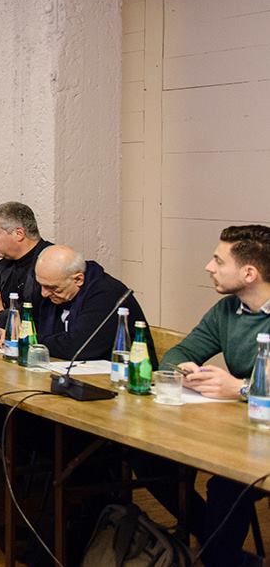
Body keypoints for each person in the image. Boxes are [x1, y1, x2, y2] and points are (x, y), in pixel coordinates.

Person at [127, 226, 270, 566]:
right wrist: (187, 372)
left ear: (249, 273)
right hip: (239, 430)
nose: (209, 266)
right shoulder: (227, 310)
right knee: (144, 458)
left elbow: (247, 387)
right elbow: (179, 353)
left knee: (226, 484)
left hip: (258, 442)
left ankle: (219, 555)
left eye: (219, 261)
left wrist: (239, 388)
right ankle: (217, 547)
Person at [0, 245, 156, 362]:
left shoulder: (106, 294)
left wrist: (22, 339)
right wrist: (2, 332)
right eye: (41, 285)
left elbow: (76, 346)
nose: (43, 293)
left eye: (52, 288)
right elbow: (23, 320)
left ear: (78, 279)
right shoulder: (50, 289)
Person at [0, 201, 54, 343]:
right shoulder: (2, 266)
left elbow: (34, 313)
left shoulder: (50, 262)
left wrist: (1, 314)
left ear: (19, 233)